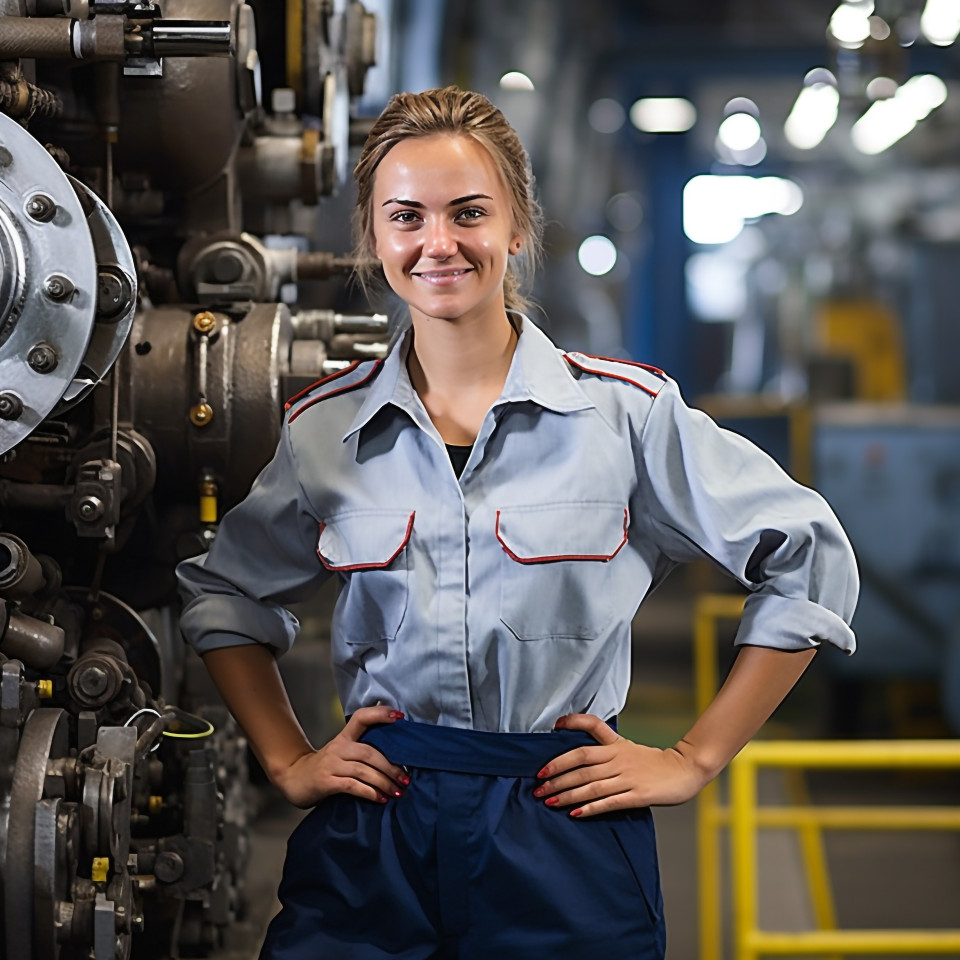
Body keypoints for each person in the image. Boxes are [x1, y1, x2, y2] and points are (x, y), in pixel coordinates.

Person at [177, 86, 858, 960]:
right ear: (374, 239)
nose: (438, 243)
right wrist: (287, 760)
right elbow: (225, 592)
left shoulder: (626, 418)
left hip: (559, 828)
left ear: (518, 228)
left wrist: (693, 758)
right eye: (406, 217)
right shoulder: (324, 431)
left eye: (469, 213)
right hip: (375, 830)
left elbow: (806, 555)